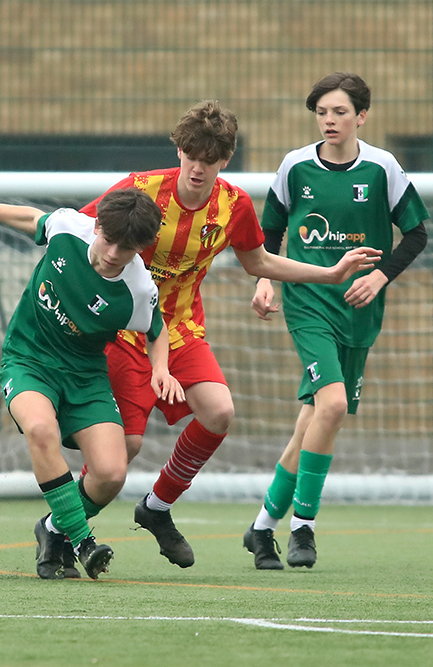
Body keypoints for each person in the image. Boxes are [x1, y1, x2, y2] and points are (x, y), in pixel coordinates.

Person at [75, 100, 382, 571]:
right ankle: (61, 530)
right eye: (191, 156)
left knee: (219, 412)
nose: (198, 168)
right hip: (123, 333)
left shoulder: (233, 205)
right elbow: (80, 231)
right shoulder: (141, 190)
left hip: (181, 332)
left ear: (225, 159)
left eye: (210, 159)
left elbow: (258, 262)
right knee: (125, 451)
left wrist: (331, 273)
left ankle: (156, 508)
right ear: (178, 150)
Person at [0, 188, 183, 580]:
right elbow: (29, 218)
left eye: (127, 248)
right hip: (28, 358)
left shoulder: (137, 289)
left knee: (112, 473)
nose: (114, 254)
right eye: (110, 240)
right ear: (97, 226)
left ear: (140, 248)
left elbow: (156, 330)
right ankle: (82, 543)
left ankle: (52, 530)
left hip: (85, 376)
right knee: (41, 429)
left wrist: (160, 369)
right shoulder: (68, 228)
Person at [243, 72, 429, 570]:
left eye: (340, 111)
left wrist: (381, 278)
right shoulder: (295, 166)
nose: (329, 120)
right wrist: (265, 280)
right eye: (322, 112)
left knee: (314, 420)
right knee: (333, 405)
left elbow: (415, 236)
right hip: (308, 302)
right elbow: (269, 235)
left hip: (360, 306)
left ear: (361, 116)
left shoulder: (383, 168)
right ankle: (303, 527)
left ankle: (262, 528)